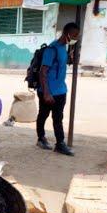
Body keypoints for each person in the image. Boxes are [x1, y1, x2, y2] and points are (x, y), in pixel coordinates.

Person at [36, 22, 80, 156]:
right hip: (48, 91)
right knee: (43, 115)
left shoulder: (64, 48)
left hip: (61, 91)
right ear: (67, 33)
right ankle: (41, 138)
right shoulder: (52, 49)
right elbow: (43, 72)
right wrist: (47, 93)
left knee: (58, 118)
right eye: (74, 35)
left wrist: (72, 58)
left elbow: (62, 65)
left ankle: (60, 143)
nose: (75, 38)